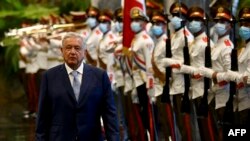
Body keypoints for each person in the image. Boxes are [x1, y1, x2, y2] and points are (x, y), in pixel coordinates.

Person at [36, 32, 120, 141]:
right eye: (68, 48)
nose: (72, 52)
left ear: (84, 52)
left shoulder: (100, 76)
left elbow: (109, 114)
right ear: (62, 51)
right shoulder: (49, 77)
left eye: (77, 48)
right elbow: (43, 116)